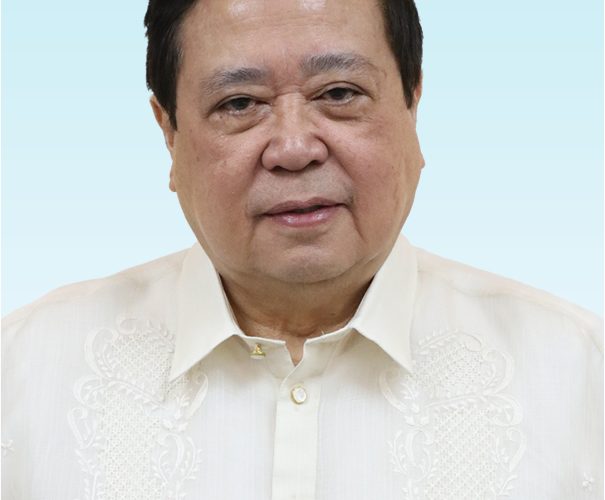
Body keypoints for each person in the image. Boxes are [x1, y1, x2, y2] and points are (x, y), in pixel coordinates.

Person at [2, 0, 602, 498]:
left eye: (339, 92)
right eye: (240, 103)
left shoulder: (579, 374)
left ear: (413, 104)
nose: (294, 149)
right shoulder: (22, 374)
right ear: (169, 133)